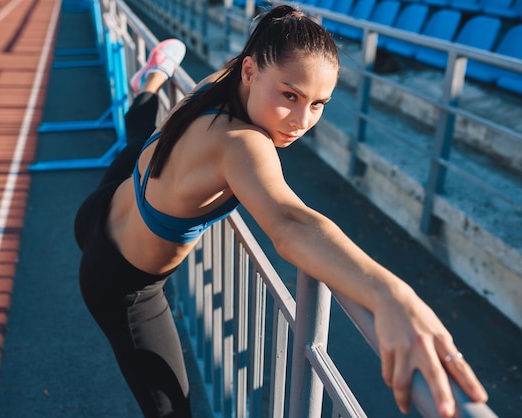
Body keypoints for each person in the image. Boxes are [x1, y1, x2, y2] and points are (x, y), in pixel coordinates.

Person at [74, 5, 488, 418]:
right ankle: (150, 81)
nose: (301, 121)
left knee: (141, 133)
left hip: (108, 198)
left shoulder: (223, 79)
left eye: (318, 103)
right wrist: (390, 294)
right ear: (251, 72)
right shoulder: (242, 143)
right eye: (290, 95)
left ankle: (153, 79)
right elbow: (291, 222)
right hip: (124, 286)